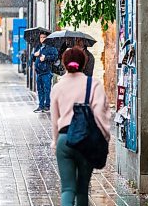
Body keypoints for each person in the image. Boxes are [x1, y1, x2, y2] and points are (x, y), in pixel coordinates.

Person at [50, 47, 111, 206]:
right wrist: (104, 137)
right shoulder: (93, 84)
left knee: (67, 189)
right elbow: (100, 114)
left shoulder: (58, 87)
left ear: (64, 64)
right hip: (86, 140)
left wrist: (55, 142)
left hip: (64, 140)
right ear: (84, 63)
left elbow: (55, 119)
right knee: (82, 189)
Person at [31, 32, 58, 113]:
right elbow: (32, 59)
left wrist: (46, 57)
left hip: (46, 72)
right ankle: (41, 106)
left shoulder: (50, 48)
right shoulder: (38, 47)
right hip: (39, 72)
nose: (42, 39)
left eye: (43, 37)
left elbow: (55, 56)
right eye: (41, 37)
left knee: (47, 89)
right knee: (40, 89)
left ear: (47, 38)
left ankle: (47, 106)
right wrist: (34, 55)